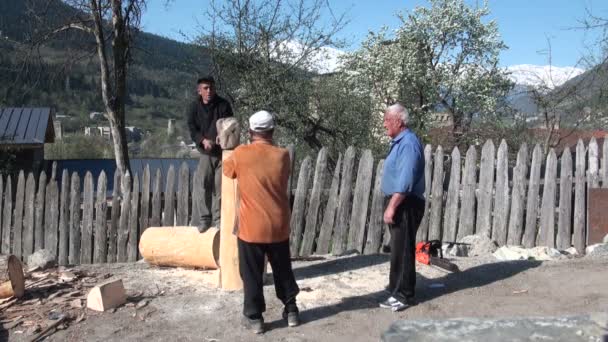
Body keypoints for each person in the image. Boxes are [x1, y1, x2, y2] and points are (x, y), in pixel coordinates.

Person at [222, 110, 300, 334]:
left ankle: (255, 317)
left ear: (250, 131)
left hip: (251, 227)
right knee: (283, 269)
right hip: (278, 224)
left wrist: (228, 143)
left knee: (252, 273)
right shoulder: (283, 155)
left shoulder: (241, 153)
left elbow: (228, 171)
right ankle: (292, 310)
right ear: (272, 131)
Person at [379, 103, 426, 312]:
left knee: (403, 249)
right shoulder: (400, 141)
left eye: (387, 120)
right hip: (402, 202)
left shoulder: (408, 143)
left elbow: (406, 181)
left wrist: (392, 207)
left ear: (399, 121)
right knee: (398, 249)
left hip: (405, 203)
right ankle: (396, 288)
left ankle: (404, 295)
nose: (384, 124)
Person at [186, 76, 233, 230]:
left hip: (222, 152)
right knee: (203, 185)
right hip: (205, 152)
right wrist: (203, 140)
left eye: (211, 87)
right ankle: (205, 219)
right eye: (205, 88)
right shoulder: (193, 107)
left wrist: (222, 136)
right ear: (199, 90)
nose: (209, 91)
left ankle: (219, 220)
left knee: (220, 187)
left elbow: (230, 124)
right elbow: (192, 129)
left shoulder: (223, 105)